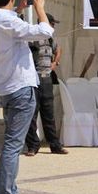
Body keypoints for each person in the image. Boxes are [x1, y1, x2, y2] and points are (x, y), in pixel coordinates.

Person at [0, 0, 54, 194]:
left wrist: (20, 8)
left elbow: (11, 25)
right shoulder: (7, 20)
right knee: (13, 146)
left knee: (13, 143)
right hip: (20, 88)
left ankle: (10, 192)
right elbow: (45, 31)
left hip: (7, 87)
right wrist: (40, 7)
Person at [24, 13, 68, 157]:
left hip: (47, 79)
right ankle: (32, 146)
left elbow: (58, 49)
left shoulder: (50, 38)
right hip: (34, 80)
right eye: (52, 23)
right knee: (32, 114)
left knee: (49, 114)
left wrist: (55, 62)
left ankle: (55, 145)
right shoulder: (33, 38)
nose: (54, 26)